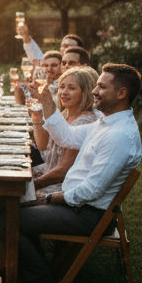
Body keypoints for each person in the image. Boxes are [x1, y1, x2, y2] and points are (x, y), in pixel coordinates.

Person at [4, 63, 142, 283]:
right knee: (9, 205)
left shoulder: (119, 136)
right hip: (76, 204)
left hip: (88, 214)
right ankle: (38, 272)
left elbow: (91, 190)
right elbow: (65, 137)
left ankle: (43, 281)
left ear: (121, 94)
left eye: (101, 86)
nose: (95, 91)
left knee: (7, 219)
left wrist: (47, 197)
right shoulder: (105, 123)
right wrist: (46, 98)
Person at [29, 67, 99, 197]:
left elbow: (63, 171)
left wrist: (33, 185)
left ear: (86, 92)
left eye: (71, 88)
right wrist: (37, 116)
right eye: (62, 87)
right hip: (48, 172)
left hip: (62, 187)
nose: (64, 92)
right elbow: (43, 145)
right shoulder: (66, 113)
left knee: (12, 192)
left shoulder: (84, 122)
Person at [17, 22, 84, 60]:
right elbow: (30, 49)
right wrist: (25, 34)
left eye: (68, 46)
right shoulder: (51, 65)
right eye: (63, 46)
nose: (64, 48)